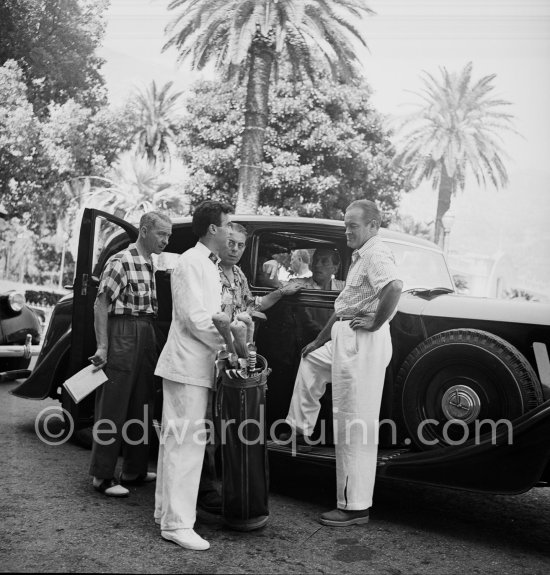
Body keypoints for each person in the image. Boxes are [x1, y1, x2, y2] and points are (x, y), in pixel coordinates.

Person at [283, 199, 403, 527]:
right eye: (346, 224)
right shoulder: (361, 255)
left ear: (373, 225)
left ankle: (354, 506)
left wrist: (377, 323)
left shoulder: (376, 253)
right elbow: (344, 305)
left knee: (353, 422)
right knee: (311, 363)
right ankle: (300, 430)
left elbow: (394, 287)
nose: (347, 230)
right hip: (344, 337)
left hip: (360, 342)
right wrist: (320, 340)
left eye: (353, 225)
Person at [154, 200, 233, 551]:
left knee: (178, 441)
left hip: (196, 364)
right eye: (228, 225)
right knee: (186, 445)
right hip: (187, 364)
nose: (231, 232)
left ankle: (165, 513)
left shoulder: (206, 263)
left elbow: (211, 315)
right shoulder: (190, 261)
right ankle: (178, 524)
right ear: (213, 228)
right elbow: (195, 318)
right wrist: (231, 343)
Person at [88, 211, 173, 498]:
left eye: (168, 235)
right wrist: (103, 346)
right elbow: (101, 304)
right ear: (145, 230)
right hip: (123, 331)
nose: (166, 240)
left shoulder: (150, 261)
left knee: (142, 402)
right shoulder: (121, 260)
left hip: (146, 330)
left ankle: (133, 470)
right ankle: (102, 476)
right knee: (113, 404)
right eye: (162, 234)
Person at [218, 223, 302, 320]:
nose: (235, 249)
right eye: (231, 243)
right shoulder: (209, 270)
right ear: (220, 242)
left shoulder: (238, 273)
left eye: (240, 245)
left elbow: (252, 304)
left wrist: (282, 292)